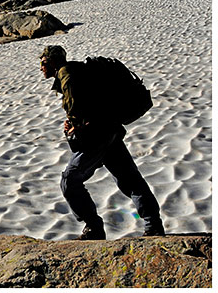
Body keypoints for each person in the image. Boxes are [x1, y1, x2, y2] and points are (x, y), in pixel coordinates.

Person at [40, 45, 165, 240]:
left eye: (44, 62)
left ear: (54, 61)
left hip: (96, 136)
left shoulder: (67, 74)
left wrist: (74, 124)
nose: (41, 67)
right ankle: (153, 224)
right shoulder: (77, 71)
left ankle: (93, 228)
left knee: (70, 180)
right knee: (130, 180)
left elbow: (77, 106)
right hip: (110, 131)